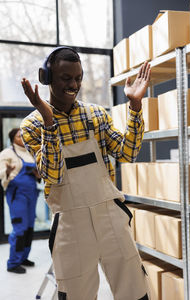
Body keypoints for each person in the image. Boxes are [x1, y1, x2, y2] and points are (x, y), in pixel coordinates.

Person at [20, 46, 151, 300]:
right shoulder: (32, 125)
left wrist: (135, 106)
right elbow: (53, 175)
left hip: (110, 216)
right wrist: (49, 123)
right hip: (70, 224)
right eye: (66, 78)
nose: (74, 84)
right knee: (76, 293)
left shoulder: (96, 115)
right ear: (46, 77)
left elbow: (128, 153)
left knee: (134, 290)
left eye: (78, 78)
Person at [0, 128, 40, 274]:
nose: (22, 138)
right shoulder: (7, 153)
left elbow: (37, 175)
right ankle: (13, 263)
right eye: (19, 136)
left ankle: (23, 257)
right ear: (12, 138)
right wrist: (8, 171)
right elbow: (1, 173)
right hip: (17, 195)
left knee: (29, 227)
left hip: (32, 194)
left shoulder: (31, 152)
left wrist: (37, 174)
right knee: (19, 228)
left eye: (24, 136)